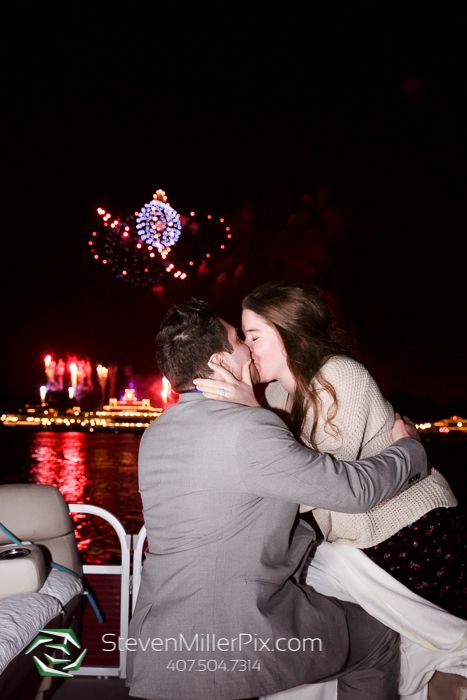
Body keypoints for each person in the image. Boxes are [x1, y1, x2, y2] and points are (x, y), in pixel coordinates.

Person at [127, 299, 427, 700]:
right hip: (231, 636)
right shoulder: (248, 428)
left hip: (157, 638)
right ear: (219, 362)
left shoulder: (156, 433)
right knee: (377, 640)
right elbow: (352, 490)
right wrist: (410, 452)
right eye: (239, 339)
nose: (249, 348)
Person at [194, 281, 465, 617]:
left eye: (254, 336)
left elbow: (321, 487)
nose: (246, 349)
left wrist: (251, 411)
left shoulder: (340, 375)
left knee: (439, 653)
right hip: (354, 546)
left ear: (289, 334)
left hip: (409, 532)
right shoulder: (276, 397)